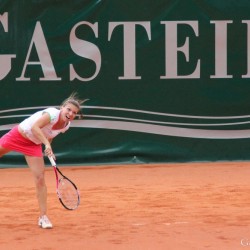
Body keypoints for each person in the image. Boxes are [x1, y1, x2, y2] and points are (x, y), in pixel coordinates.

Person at [0, 92, 85, 229]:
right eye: (68, 109)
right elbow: (35, 127)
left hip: (33, 145)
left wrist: (48, 150)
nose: (70, 113)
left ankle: (43, 217)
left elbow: (49, 135)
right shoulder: (52, 114)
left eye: (74, 113)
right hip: (18, 135)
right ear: (62, 107)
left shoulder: (65, 125)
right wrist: (46, 144)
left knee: (40, 179)